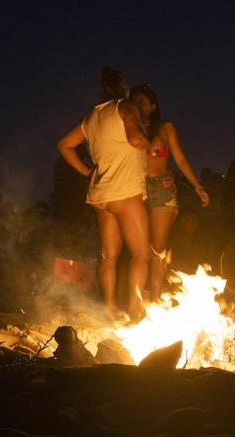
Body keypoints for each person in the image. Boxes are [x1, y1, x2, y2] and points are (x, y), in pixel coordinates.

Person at [57, 66, 161, 321]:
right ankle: (136, 306)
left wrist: (86, 171)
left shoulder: (91, 115)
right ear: (124, 89)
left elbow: (64, 145)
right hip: (124, 191)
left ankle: (112, 308)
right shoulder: (126, 107)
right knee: (140, 253)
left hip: (100, 195)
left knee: (109, 255)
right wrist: (153, 146)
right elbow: (136, 140)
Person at [129, 85, 209, 300]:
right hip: (134, 189)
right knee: (139, 252)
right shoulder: (130, 129)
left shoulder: (165, 127)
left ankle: (156, 301)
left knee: (156, 251)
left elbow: (180, 159)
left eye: (142, 102)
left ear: (153, 106)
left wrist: (197, 186)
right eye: (134, 102)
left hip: (161, 189)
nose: (138, 106)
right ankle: (135, 302)